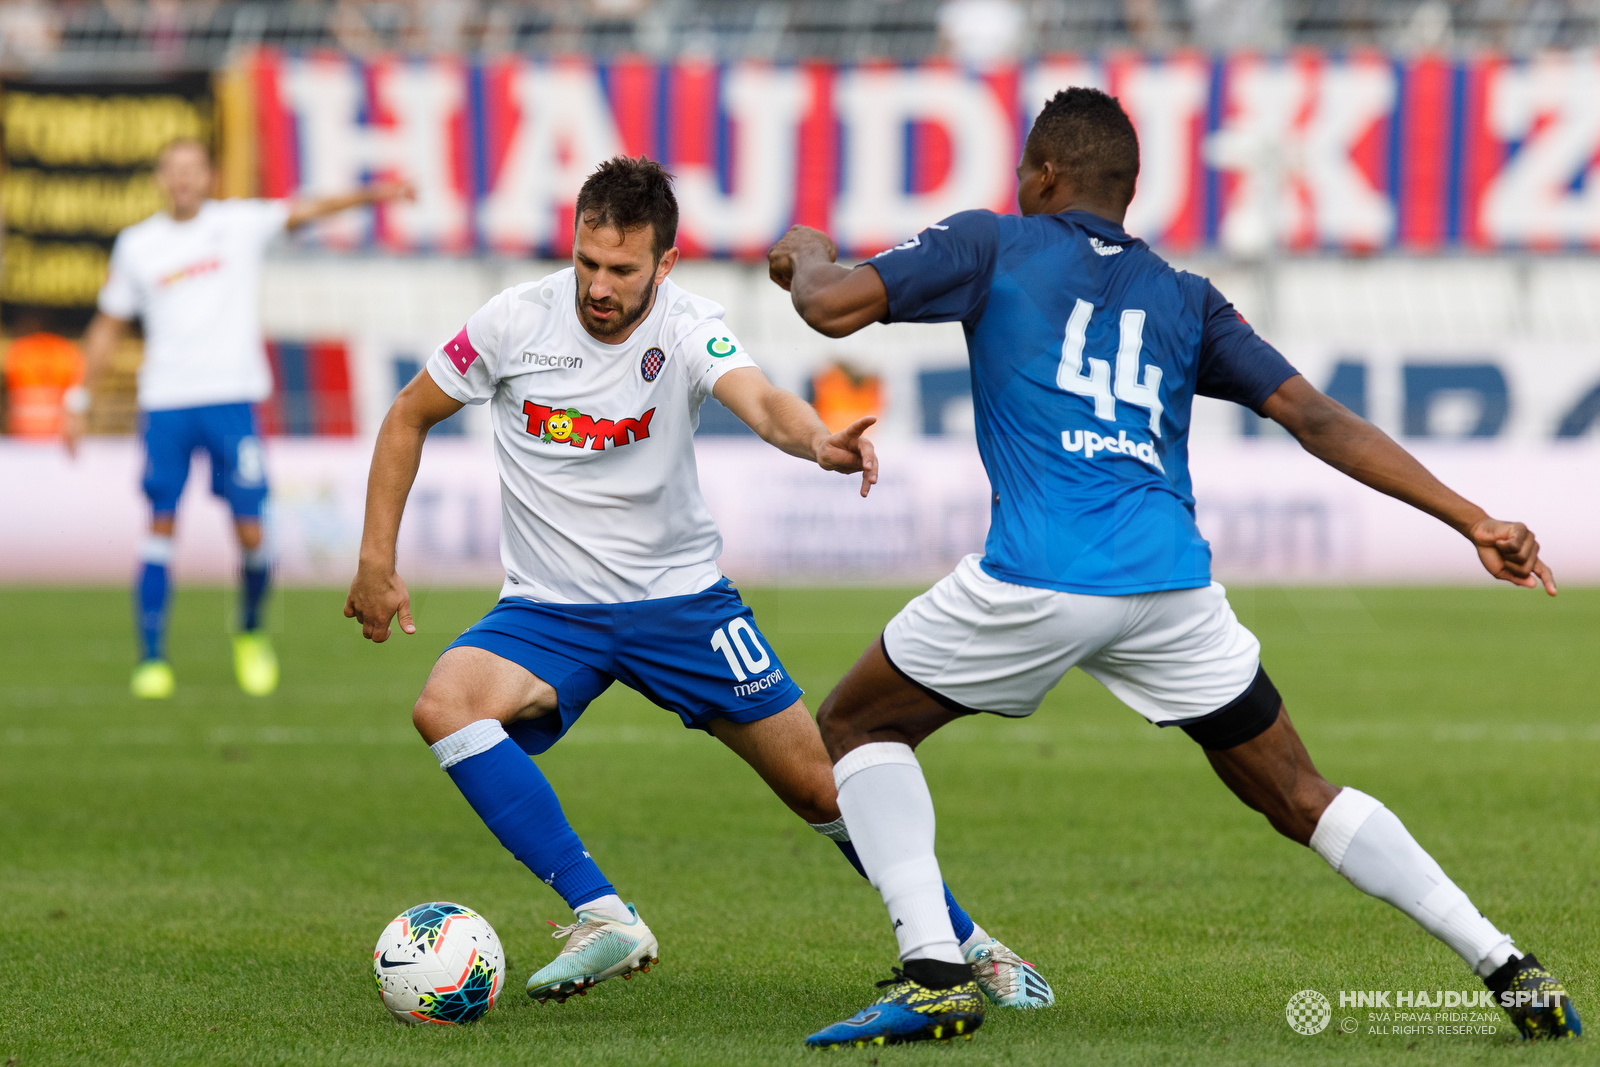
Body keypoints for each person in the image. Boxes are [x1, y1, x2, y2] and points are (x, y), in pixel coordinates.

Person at [768, 87, 1580, 1048]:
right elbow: (1317, 417)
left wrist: (806, 248)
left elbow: (828, 308)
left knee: (858, 721)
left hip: (1038, 574)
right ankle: (1506, 963)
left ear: (1047, 175)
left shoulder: (992, 242)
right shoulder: (1188, 297)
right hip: (1170, 593)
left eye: (1025, 170)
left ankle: (937, 973)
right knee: (1300, 792)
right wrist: (1474, 518)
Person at [343, 156, 1054, 1011]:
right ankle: (603, 913)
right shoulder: (511, 321)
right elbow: (408, 413)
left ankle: (971, 945)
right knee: (444, 705)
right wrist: (376, 560)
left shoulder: (685, 324)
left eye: (622, 269)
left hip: (682, 605)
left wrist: (818, 439)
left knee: (823, 786)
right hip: (548, 612)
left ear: (664, 264)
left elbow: (756, 398)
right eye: (587, 262)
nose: (598, 286)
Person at [70, 137, 412, 699]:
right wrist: (78, 400)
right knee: (159, 525)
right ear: (161, 178)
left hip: (232, 400)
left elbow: (308, 209)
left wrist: (376, 193)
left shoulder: (239, 224)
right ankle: (151, 658)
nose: (183, 180)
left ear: (209, 176)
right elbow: (108, 325)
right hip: (167, 404)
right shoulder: (137, 245)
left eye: (193, 169)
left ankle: (250, 630)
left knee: (253, 534)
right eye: (173, 170)